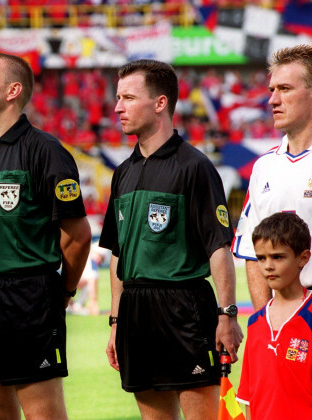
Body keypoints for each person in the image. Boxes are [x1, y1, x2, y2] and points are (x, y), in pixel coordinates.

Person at [0, 52, 92, 420]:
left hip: (29, 295)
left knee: (44, 414)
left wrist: (64, 291)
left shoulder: (46, 150)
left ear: (12, 91)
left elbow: (77, 235)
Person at [98, 59, 244, 420]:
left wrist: (227, 315)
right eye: (118, 98)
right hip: (134, 310)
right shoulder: (123, 173)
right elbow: (119, 254)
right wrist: (116, 322)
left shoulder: (194, 167)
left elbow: (218, 248)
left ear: (160, 103)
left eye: (128, 98)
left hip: (185, 306)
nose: (118, 108)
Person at [231, 44, 312, 311]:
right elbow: (252, 253)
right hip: (280, 314)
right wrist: (262, 320)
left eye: (285, 89)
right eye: (272, 90)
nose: (272, 100)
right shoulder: (264, 167)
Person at [237, 212, 312, 418]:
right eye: (261, 258)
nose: (268, 266)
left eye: (277, 257)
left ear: (303, 258)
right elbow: (249, 398)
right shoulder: (255, 323)